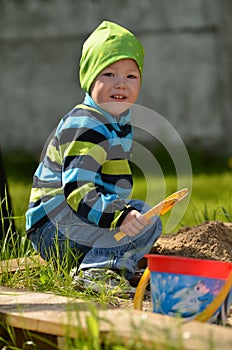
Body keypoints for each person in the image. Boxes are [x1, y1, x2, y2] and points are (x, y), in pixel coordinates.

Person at [26, 21, 162, 293]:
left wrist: (123, 214)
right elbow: (78, 190)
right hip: (54, 227)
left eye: (131, 76)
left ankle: (107, 261)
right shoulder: (87, 124)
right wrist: (119, 217)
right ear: (90, 79)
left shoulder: (117, 121)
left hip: (76, 221)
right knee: (141, 219)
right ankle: (97, 270)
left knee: (144, 218)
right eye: (109, 74)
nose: (120, 84)